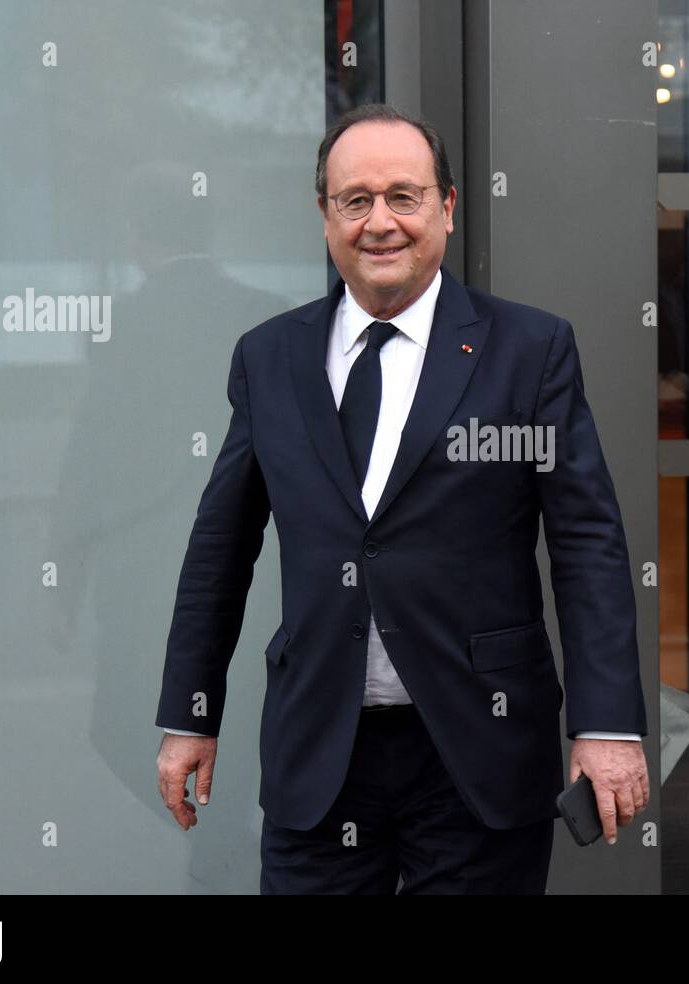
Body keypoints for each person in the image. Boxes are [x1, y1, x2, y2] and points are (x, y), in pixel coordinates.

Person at [152, 103, 650, 894]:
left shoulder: (531, 350)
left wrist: (605, 724)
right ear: (325, 217)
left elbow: (588, 546)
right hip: (322, 751)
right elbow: (221, 550)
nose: (379, 222)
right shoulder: (270, 358)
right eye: (355, 201)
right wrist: (190, 713)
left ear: (447, 208)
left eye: (403, 197)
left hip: (479, 751)